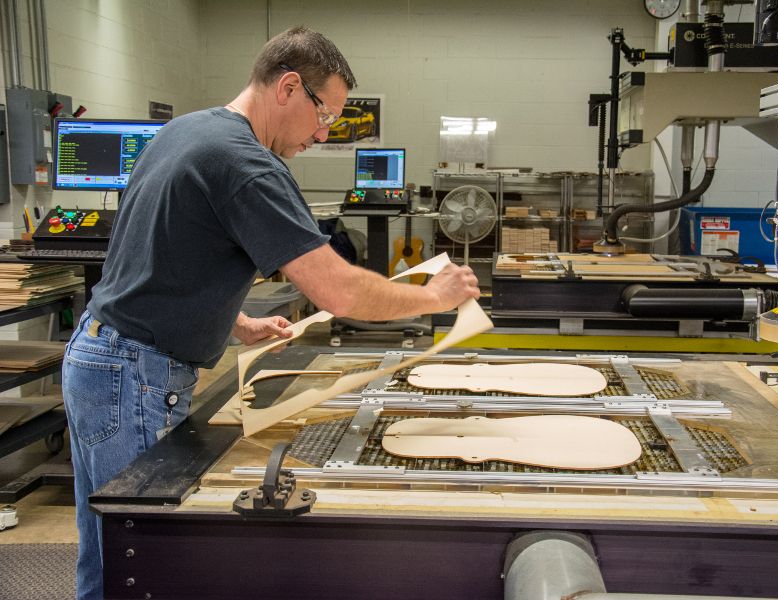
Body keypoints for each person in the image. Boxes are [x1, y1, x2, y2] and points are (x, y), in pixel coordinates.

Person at [62, 26, 479, 600]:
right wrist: (436, 297)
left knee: (106, 552)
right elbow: (338, 290)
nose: (323, 132)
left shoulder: (187, 131)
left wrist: (234, 321)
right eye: (325, 115)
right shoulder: (247, 164)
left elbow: (157, 254)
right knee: (144, 564)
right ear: (289, 86)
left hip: (96, 358)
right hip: (132, 374)